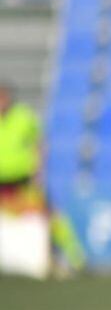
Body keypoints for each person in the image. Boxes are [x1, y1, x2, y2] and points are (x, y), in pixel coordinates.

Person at [0, 84, 85, 274]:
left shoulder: (24, 117)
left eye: (2, 97)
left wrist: (38, 170)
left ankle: (74, 255)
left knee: (48, 214)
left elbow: (40, 144)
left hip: (23, 180)